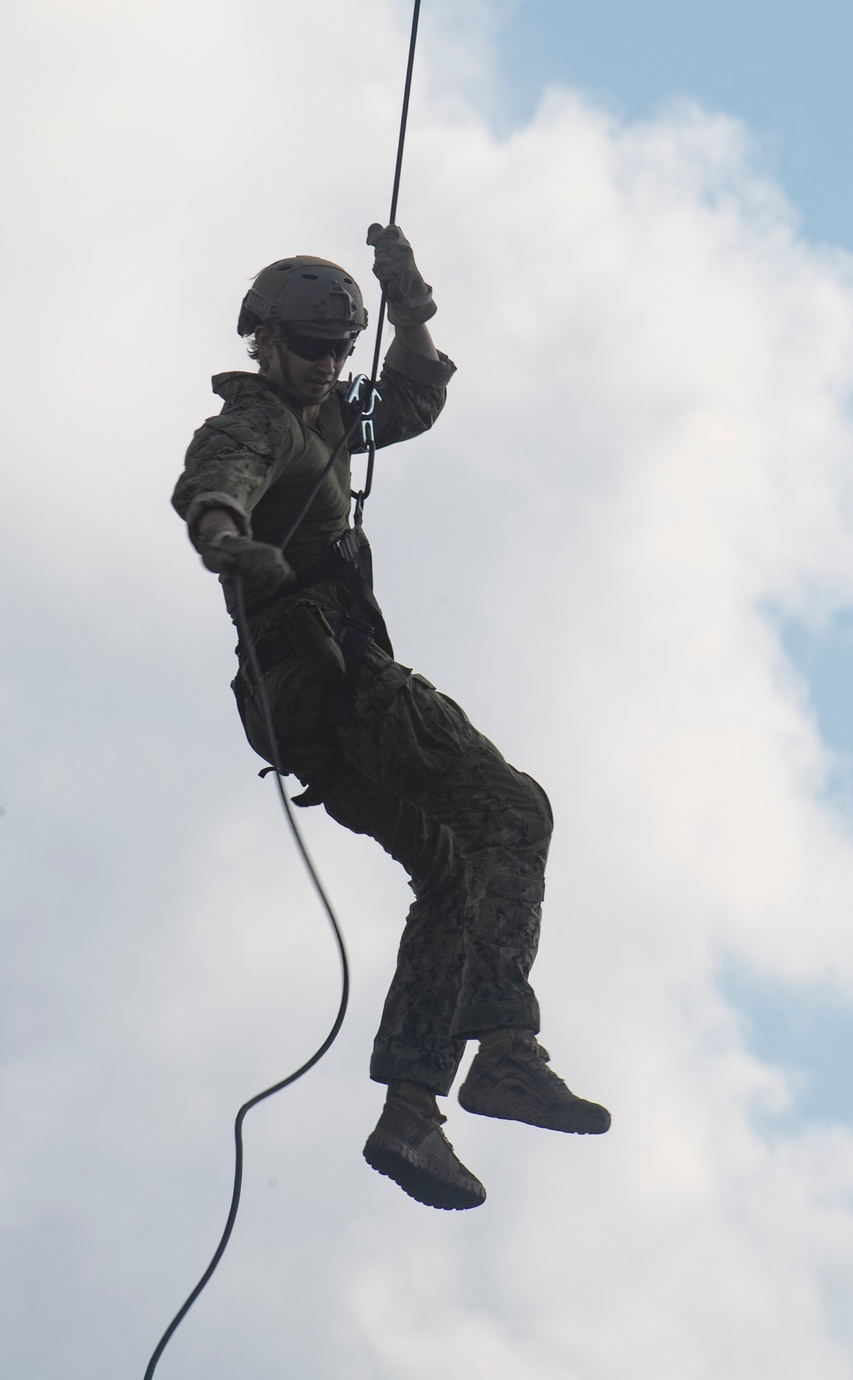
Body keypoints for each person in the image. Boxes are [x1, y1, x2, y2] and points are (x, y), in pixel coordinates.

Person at [171, 225, 610, 1211]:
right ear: (262, 341)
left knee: (455, 875)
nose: (327, 369)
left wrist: (411, 310)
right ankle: (505, 1045)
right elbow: (215, 485)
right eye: (309, 350)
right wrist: (228, 542)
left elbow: (407, 400)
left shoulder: (324, 415)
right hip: (338, 686)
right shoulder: (261, 423)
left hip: (304, 707)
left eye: (338, 350)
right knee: (515, 811)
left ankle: (411, 1119)